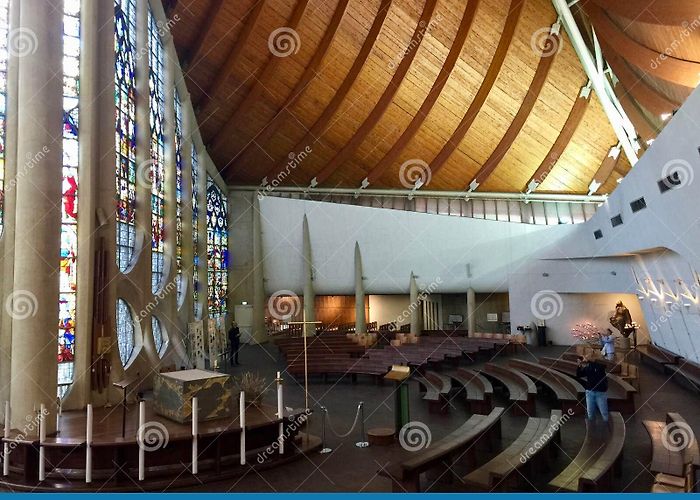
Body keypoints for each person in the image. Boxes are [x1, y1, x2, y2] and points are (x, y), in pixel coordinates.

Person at [576, 350, 609, 423]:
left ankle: (607, 429)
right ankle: (592, 429)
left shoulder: (600, 366)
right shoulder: (589, 366)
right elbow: (579, 375)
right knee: (590, 413)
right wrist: (579, 366)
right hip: (590, 392)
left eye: (588, 355)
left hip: (600, 392)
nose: (586, 357)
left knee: (604, 413)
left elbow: (601, 367)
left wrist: (588, 360)